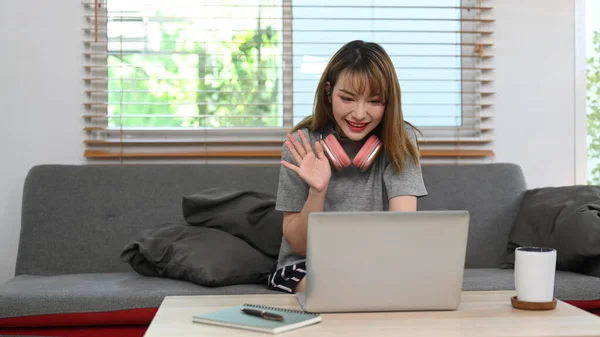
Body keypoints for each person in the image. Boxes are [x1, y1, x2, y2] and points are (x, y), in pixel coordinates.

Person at [268, 40, 428, 294]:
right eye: (348, 98)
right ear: (329, 92)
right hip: (308, 266)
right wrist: (317, 192)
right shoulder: (302, 144)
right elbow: (298, 245)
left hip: (378, 265)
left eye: (375, 101)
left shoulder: (400, 141)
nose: (359, 114)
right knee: (331, 288)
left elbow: (402, 232)